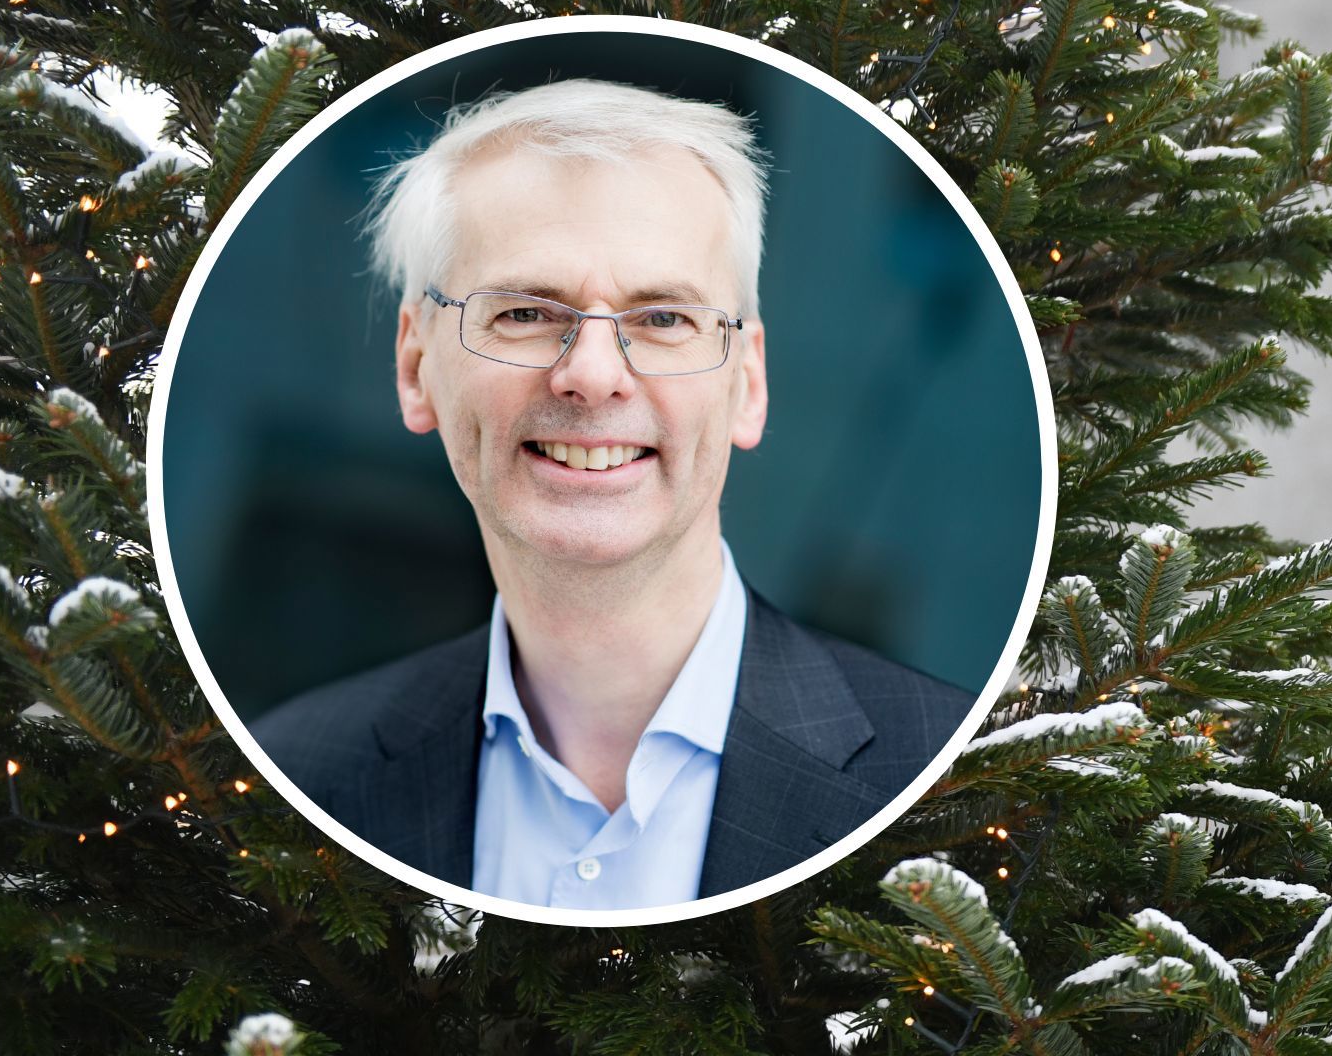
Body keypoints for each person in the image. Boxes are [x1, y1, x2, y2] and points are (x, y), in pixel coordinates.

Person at [253, 80, 975, 910]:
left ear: (748, 383)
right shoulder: (294, 778)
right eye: (524, 311)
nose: (592, 376)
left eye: (663, 319)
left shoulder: (958, 782)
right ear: (417, 369)